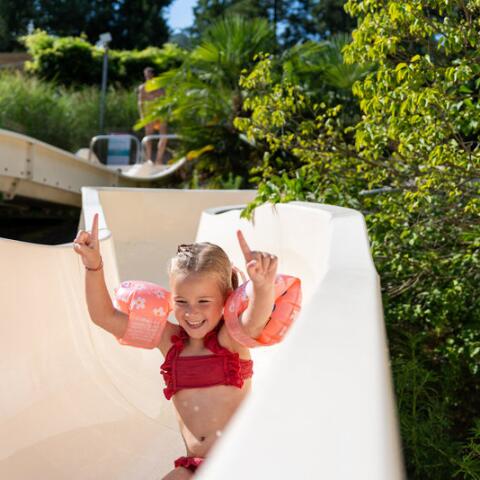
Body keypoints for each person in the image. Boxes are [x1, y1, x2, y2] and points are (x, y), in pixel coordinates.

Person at [73, 214, 298, 479]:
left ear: (226, 299)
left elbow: (254, 320)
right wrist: (93, 266)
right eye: (181, 302)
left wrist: (262, 287)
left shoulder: (230, 339)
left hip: (238, 464)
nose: (192, 312)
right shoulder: (168, 342)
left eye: (203, 301)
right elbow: (104, 317)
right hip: (195, 466)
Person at [138, 67, 167, 164]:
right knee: (148, 136)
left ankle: (159, 159)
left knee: (164, 137)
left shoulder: (160, 88)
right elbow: (140, 103)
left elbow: (165, 100)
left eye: (149, 75)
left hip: (160, 112)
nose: (147, 77)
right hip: (149, 113)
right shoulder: (143, 88)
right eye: (146, 75)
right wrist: (142, 116)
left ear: (153, 75)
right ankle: (148, 159)